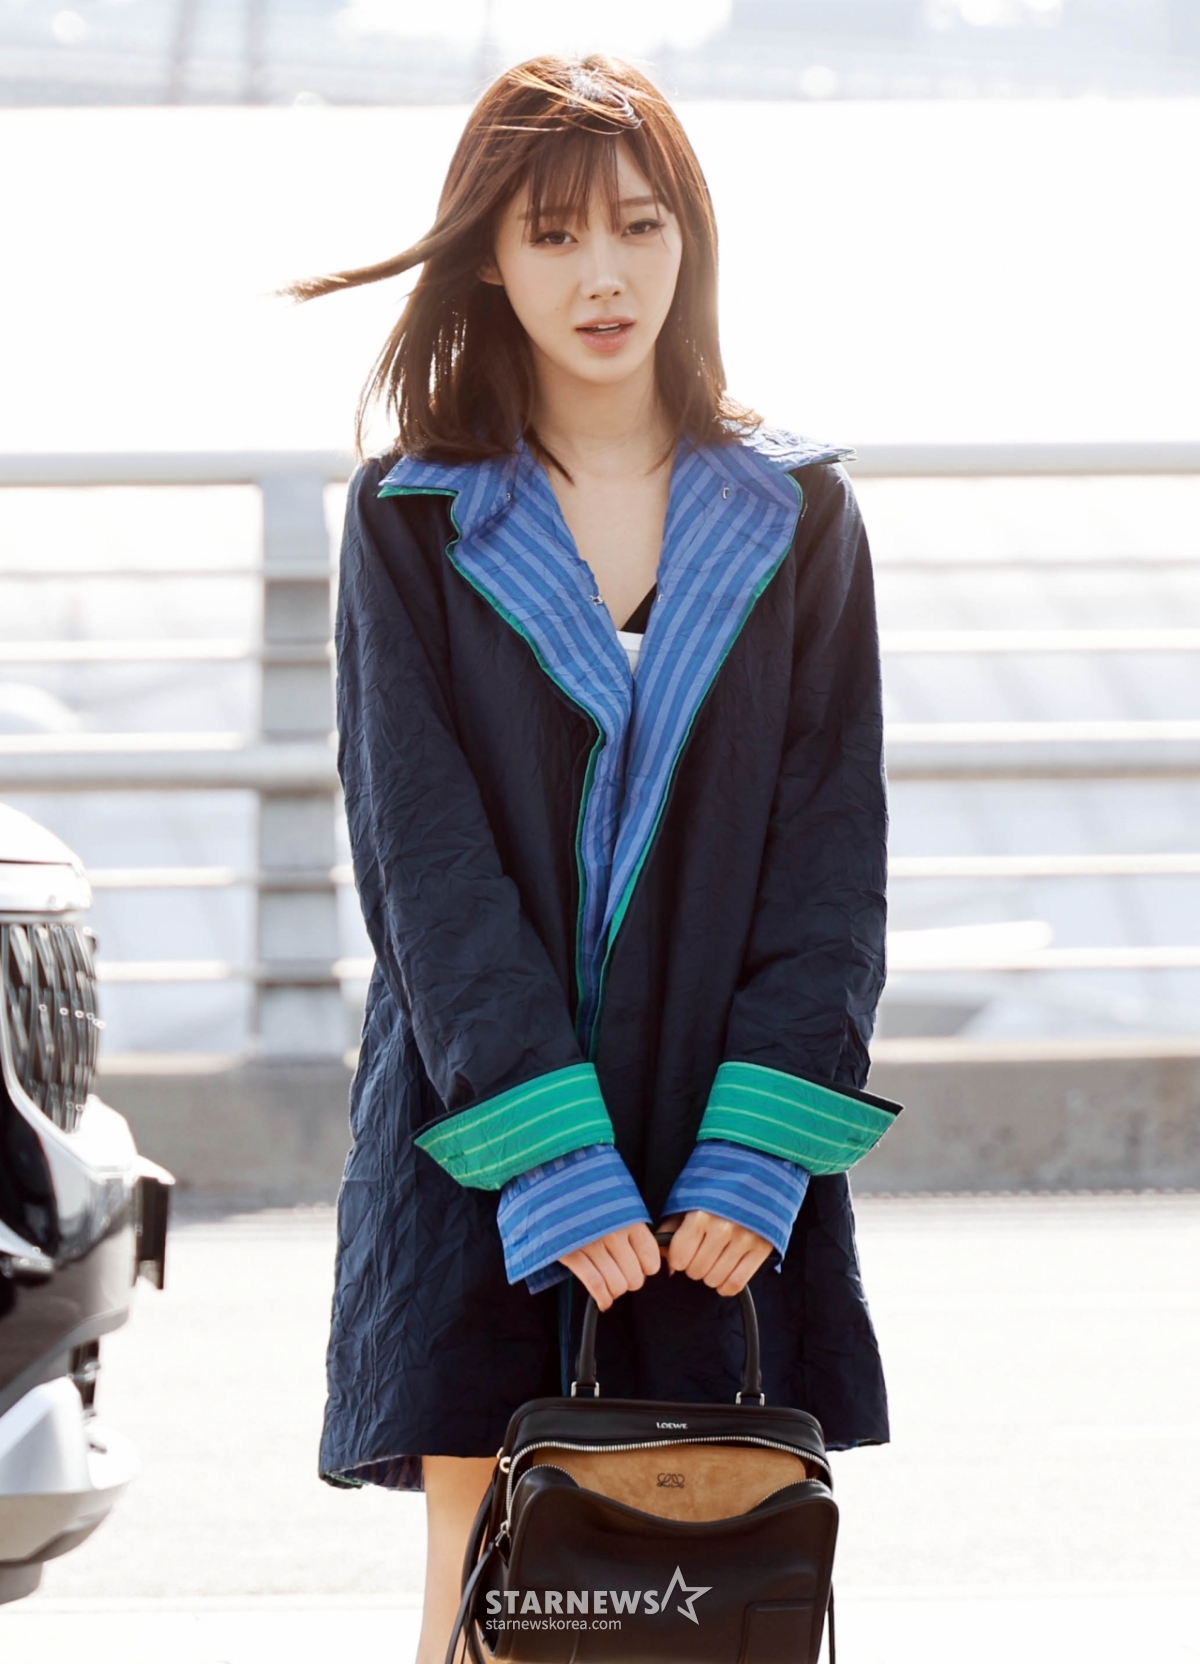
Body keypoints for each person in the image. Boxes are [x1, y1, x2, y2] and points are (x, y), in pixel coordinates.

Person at [291, 53, 901, 1664]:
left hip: (718, 1151)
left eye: (640, 225)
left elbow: (833, 860)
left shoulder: (796, 513)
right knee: (489, 1579)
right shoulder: (413, 516)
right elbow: (420, 863)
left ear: (693, 238)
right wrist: (547, 1154)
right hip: (487, 1127)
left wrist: (761, 1149)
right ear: (489, 257)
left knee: (713, 1575)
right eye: (553, 235)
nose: (605, 274)